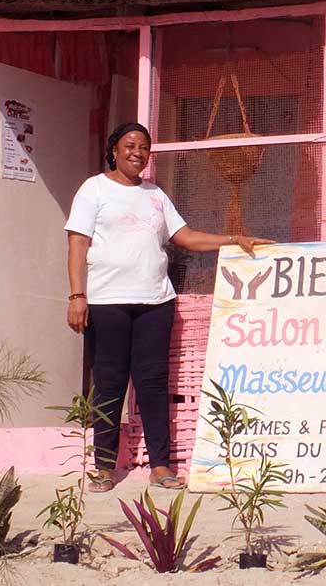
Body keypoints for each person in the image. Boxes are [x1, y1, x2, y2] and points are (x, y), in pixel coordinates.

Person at [65, 122, 271, 492]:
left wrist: (234, 239)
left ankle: (161, 466)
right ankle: (104, 467)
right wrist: (77, 297)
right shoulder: (94, 189)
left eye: (144, 147)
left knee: (154, 385)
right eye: (130, 146)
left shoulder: (155, 195)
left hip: (155, 302)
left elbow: (184, 237)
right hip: (106, 302)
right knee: (109, 383)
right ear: (114, 150)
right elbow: (78, 244)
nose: (137, 153)